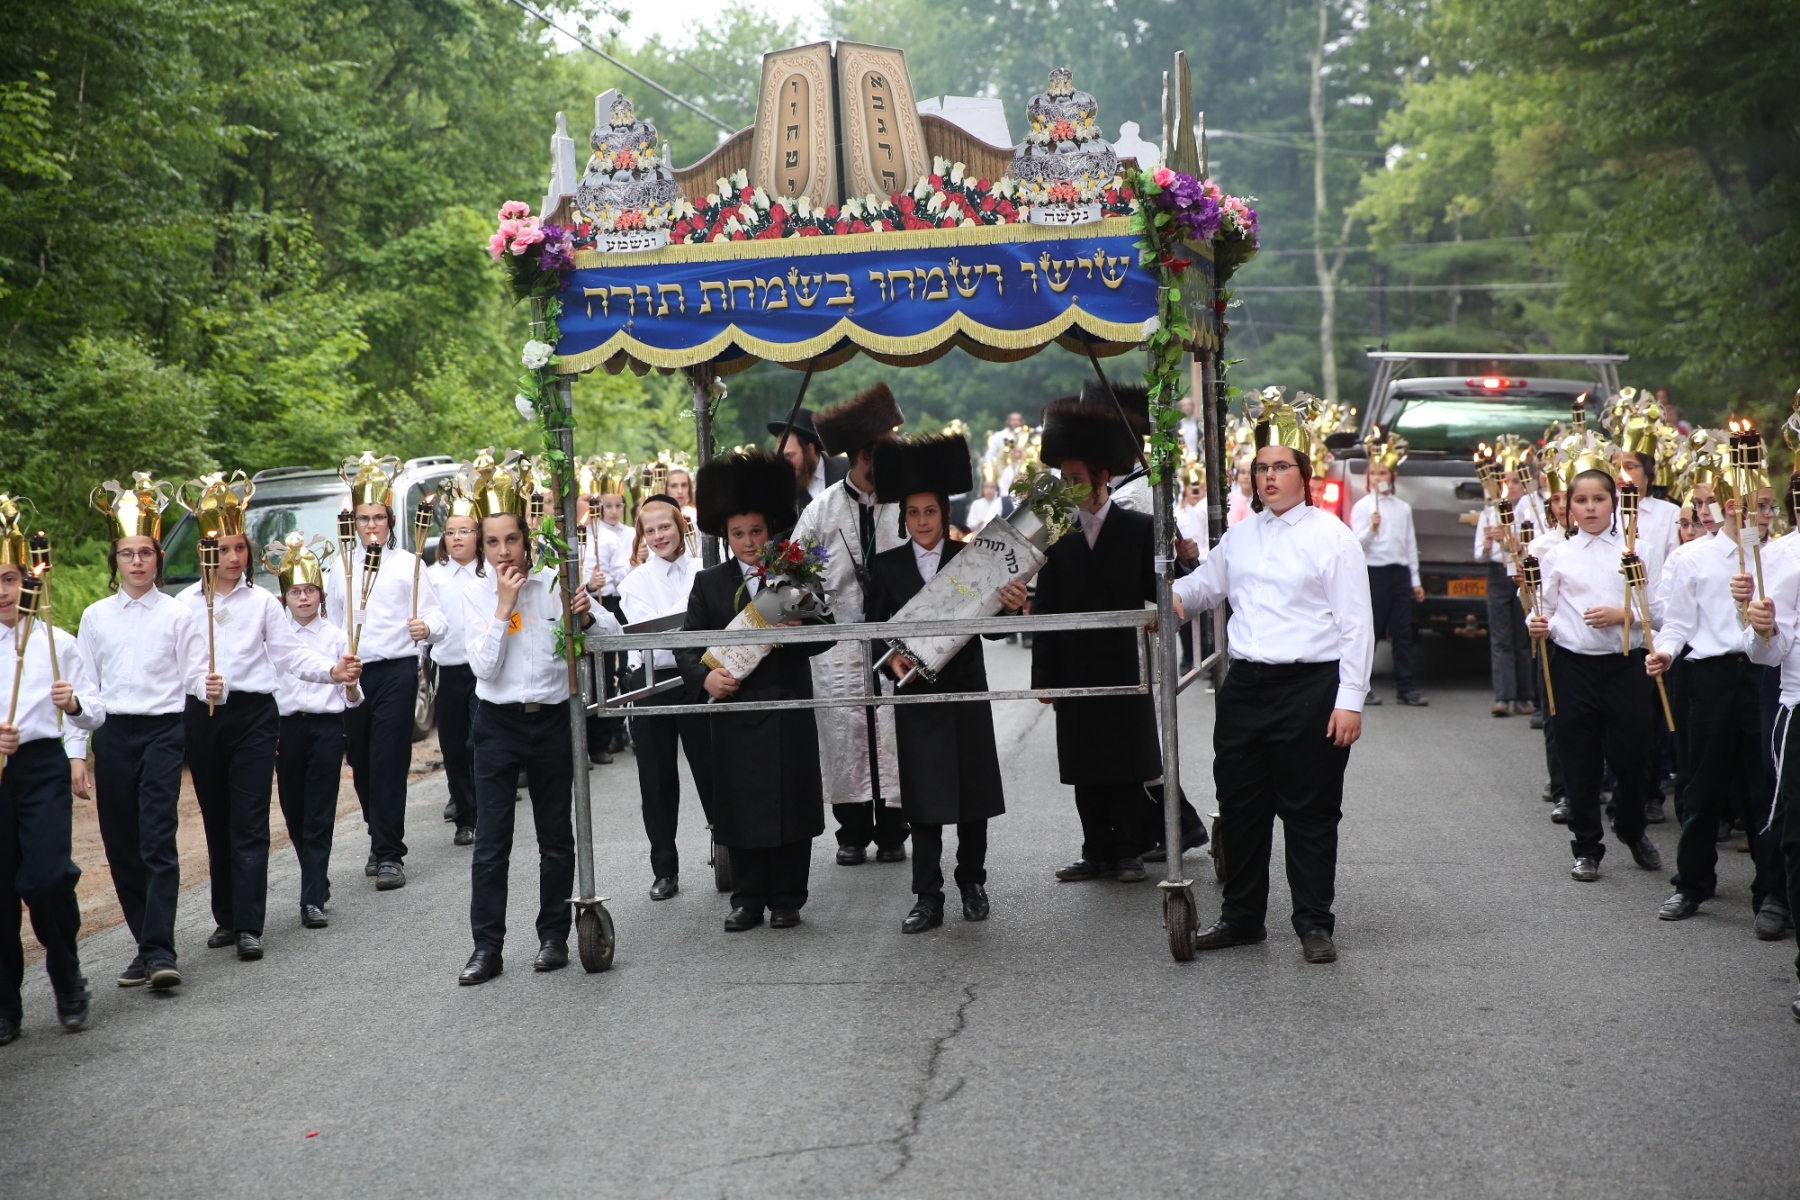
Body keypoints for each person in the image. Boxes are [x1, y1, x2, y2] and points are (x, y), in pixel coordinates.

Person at [1172, 398, 1373, 964]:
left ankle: (1313, 923)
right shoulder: (1240, 536)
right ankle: (1242, 918)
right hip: (1246, 689)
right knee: (1241, 806)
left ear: (1304, 474)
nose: (1269, 477)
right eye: (1261, 468)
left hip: (1311, 689)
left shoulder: (1332, 537)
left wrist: (1350, 701)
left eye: (1281, 466)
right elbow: (1203, 588)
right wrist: (1170, 598)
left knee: (1310, 812)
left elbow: (1356, 625)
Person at [175, 474, 358, 962]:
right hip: (204, 716)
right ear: (206, 551)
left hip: (254, 717)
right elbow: (178, 665)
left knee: (250, 818)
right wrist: (200, 685)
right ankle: (226, 915)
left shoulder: (261, 602)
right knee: (216, 816)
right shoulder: (184, 605)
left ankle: (250, 924)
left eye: (241, 547)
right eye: (224, 549)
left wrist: (331, 671)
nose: (234, 557)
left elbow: (290, 654)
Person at [457, 454, 620, 985]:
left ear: (527, 539)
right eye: (492, 542)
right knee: (492, 841)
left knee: (555, 835)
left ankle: (553, 937)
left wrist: (586, 614)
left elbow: (613, 638)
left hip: (551, 720)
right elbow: (482, 668)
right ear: (482, 548)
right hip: (497, 724)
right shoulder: (475, 593)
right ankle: (487, 948)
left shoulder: (556, 583)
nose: (504, 551)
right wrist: (503, 608)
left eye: (511, 539)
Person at [868, 432, 1025, 933]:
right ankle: (927, 897)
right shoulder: (886, 566)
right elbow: (874, 630)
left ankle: (972, 882)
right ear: (903, 517)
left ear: (944, 513)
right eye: (913, 513)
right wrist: (889, 660)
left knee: (973, 795)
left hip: (965, 689)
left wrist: (1012, 605)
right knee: (925, 801)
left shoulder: (971, 557)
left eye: (930, 512)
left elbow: (993, 630)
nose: (922, 521)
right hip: (916, 697)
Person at [677, 450, 831, 931]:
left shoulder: (794, 576)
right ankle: (746, 898)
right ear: (726, 536)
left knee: (791, 802)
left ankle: (787, 897)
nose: (748, 542)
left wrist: (800, 626)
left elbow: (828, 633)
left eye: (756, 532)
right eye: (738, 533)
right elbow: (688, 646)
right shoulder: (708, 584)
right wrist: (705, 678)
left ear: (771, 531)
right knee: (740, 804)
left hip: (787, 707)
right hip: (734, 711)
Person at [82, 473, 209, 991]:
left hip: (162, 733)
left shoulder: (179, 615)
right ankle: (144, 943)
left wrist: (212, 686)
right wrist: (77, 753)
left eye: (145, 553)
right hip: (112, 736)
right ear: (115, 560)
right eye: (127, 554)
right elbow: (87, 690)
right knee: (121, 845)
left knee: (157, 838)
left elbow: (194, 677)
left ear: (159, 558)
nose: (136, 562)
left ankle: (160, 950)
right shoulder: (95, 618)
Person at [1030, 396, 1164, 884]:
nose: (1068, 488)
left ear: (1102, 477)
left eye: (1076, 479)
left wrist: (1185, 559)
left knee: (1126, 760)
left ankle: (1129, 850)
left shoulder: (1139, 527)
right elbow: (1045, 608)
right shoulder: (1054, 533)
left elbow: (1159, 589)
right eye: (1063, 479)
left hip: (1125, 663)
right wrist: (1044, 677)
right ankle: (1095, 850)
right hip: (1073, 664)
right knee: (1083, 763)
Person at [1527, 454, 1664, 882]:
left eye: (1599, 499)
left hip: (1626, 665)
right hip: (1573, 668)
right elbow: (1543, 609)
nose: (1590, 508)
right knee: (1579, 758)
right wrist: (1536, 623)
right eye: (1581, 500)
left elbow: (1661, 611)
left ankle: (1631, 826)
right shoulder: (1558, 556)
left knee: (1633, 755)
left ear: (1614, 502)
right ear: (1569, 506)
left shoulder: (1638, 552)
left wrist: (1623, 615)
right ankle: (1586, 846)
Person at [1650, 483, 1781, 925]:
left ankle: (1772, 895)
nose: (1767, 515)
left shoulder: (1777, 556)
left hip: (1763, 674)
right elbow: (1678, 623)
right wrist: (1665, 653)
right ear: (1732, 506)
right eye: (1760, 506)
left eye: (1771, 507)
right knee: (1703, 784)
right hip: (1712, 675)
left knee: (1762, 788)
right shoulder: (1694, 558)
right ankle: (1691, 883)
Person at [791, 382, 910, 865]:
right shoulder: (820, 510)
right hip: (838, 644)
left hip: (895, 638)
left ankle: (894, 829)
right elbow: (790, 577)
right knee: (844, 733)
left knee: (893, 730)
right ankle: (852, 832)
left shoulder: (904, 502)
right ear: (864, 456)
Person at [0, 502, 105, 1044]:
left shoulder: (55, 644)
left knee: (45, 880)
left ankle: (67, 977)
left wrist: (74, 704)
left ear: (25, 580)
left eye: (8, 578)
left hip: (41, 768)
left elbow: (95, 711)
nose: (2, 591)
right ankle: (5, 1005)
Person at [326, 452, 447, 892]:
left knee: (389, 759)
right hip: (356, 674)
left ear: (390, 520)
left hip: (396, 670)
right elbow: (332, 624)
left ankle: (390, 852)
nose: (372, 525)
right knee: (360, 760)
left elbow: (436, 616)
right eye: (364, 518)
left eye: (379, 517)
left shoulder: (409, 565)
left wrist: (426, 628)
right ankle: (378, 837)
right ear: (354, 523)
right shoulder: (340, 568)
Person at [617, 494, 715, 901]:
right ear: (641, 536)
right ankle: (664, 869)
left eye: (666, 527)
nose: (659, 536)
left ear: (681, 527)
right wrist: (695, 602)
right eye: (650, 530)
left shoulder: (704, 568)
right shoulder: (632, 582)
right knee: (656, 779)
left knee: (712, 769)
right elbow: (651, 630)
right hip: (652, 680)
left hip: (700, 674)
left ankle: (730, 846)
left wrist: (693, 604)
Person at [267, 534, 358, 930]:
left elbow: (353, 695)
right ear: (284, 597)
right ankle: (316, 877)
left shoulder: (336, 636)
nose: (303, 598)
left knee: (319, 812)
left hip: (325, 728)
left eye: (309, 590)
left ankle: (311, 898)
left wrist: (351, 684)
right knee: (294, 811)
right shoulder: (276, 638)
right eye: (295, 592)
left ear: (321, 594)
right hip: (287, 729)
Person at [427, 478, 482, 845]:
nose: (457, 538)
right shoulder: (432, 577)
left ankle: (483, 811)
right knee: (453, 746)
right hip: (447, 670)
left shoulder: (489, 573)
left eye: (465, 531)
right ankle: (464, 814)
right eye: (450, 532)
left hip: (483, 671)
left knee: (479, 741)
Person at [1351, 453, 1426, 706]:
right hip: (1375, 573)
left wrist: (1415, 580)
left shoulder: (1402, 508)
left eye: (1383, 473)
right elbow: (1355, 545)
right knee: (1371, 631)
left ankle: (1405, 687)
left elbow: (1409, 544)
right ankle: (1362, 686)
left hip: (1399, 573)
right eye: (1373, 473)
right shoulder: (1363, 507)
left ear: (1392, 476)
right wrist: (1371, 530)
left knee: (1402, 632)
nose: (1378, 478)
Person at [1474, 461, 1543, 717]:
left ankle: (1525, 696)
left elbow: (1536, 546)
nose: (1510, 486)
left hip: (1522, 572)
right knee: (1500, 637)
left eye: (1516, 481)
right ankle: (1503, 696)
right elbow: (1479, 554)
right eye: (1506, 481)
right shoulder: (1490, 513)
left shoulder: (1531, 510)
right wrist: (1488, 543)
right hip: (1498, 574)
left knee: (1523, 637)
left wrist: (1514, 543)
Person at [769, 407, 849, 514]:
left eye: (790, 455)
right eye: (781, 456)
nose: (785, 462)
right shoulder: (783, 490)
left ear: (810, 449)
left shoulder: (848, 470)